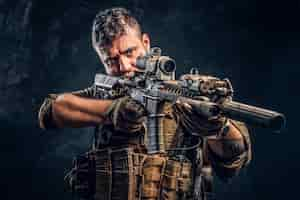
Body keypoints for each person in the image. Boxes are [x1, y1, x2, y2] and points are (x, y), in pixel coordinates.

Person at [38, 7, 251, 200]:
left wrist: (218, 128)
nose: (124, 66)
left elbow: (234, 158)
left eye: (130, 52)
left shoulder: (182, 93)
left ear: (146, 43)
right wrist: (111, 111)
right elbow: (50, 110)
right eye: (111, 60)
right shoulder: (110, 91)